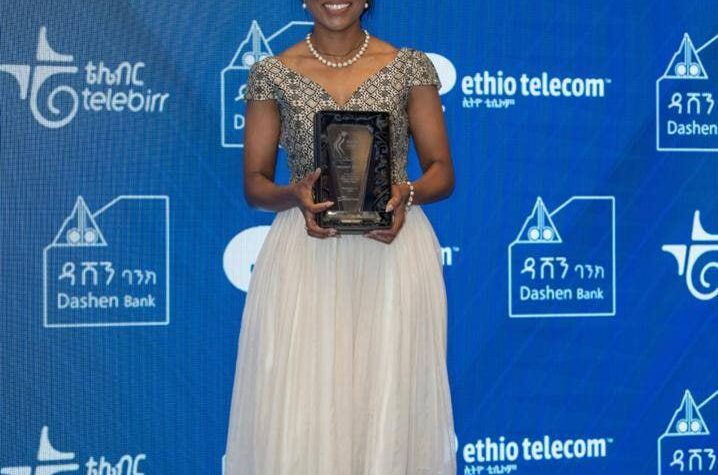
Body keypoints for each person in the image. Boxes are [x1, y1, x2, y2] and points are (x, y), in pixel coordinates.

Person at [224, 0, 457, 473]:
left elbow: (442, 172)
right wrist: (293, 195)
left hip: (392, 253)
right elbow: (255, 184)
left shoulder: (410, 67)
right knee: (305, 404)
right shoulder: (271, 73)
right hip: (307, 254)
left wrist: (407, 194)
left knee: (390, 401)